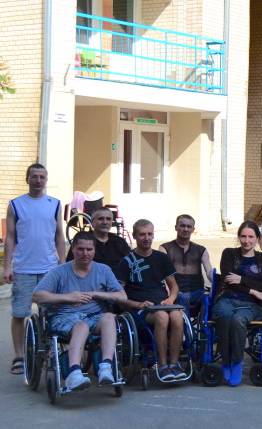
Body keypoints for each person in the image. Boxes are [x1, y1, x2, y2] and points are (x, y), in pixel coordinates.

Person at [32, 232, 128, 390]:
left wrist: (95, 294)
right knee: (82, 326)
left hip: (94, 316)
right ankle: (74, 373)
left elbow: (122, 296)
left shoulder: (103, 270)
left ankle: (106, 366)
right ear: (73, 249)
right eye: (81, 249)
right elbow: (36, 296)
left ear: (94, 250)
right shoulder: (59, 272)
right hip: (64, 317)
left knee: (109, 318)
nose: (85, 253)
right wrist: (68, 297)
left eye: (89, 249)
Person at [4, 163, 65, 375]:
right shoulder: (16, 205)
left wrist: (62, 263)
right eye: (34, 176)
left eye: (42, 177)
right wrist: (7, 266)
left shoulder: (54, 204)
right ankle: (19, 356)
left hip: (49, 268)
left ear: (46, 179)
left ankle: (50, 350)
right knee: (20, 313)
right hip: (24, 268)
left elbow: (59, 236)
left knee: (51, 312)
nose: (38, 180)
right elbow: (10, 237)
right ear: (27, 179)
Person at [115, 219, 187, 381]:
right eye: (142, 234)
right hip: (140, 308)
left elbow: (174, 286)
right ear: (134, 236)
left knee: (177, 316)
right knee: (162, 317)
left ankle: (174, 363)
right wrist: (137, 304)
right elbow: (118, 295)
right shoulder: (126, 262)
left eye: (149, 234)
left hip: (162, 304)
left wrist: (171, 299)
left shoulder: (161, 258)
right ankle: (162, 365)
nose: (146, 238)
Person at [214, 221, 262, 387]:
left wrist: (241, 279)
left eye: (251, 237)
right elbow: (228, 280)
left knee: (238, 320)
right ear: (239, 237)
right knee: (225, 316)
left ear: (257, 238)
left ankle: (237, 362)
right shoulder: (229, 254)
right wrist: (253, 291)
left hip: (251, 305)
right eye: (243, 236)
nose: (247, 241)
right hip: (227, 298)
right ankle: (226, 361)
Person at [158, 214, 213, 312]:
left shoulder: (201, 250)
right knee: (182, 298)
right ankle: (185, 322)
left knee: (207, 298)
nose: (185, 229)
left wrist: (216, 283)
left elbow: (209, 272)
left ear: (193, 229)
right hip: (176, 292)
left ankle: (203, 322)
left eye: (189, 227)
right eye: (182, 226)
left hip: (197, 291)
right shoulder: (165, 248)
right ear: (176, 227)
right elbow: (162, 273)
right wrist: (168, 291)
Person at [65, 206, 130, 270]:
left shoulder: (120, 242)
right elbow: (70, 266)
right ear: (92, 221)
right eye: (100, 219)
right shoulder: (82, 241)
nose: (105, 222)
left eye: (108, 219)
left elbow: (130, 264)